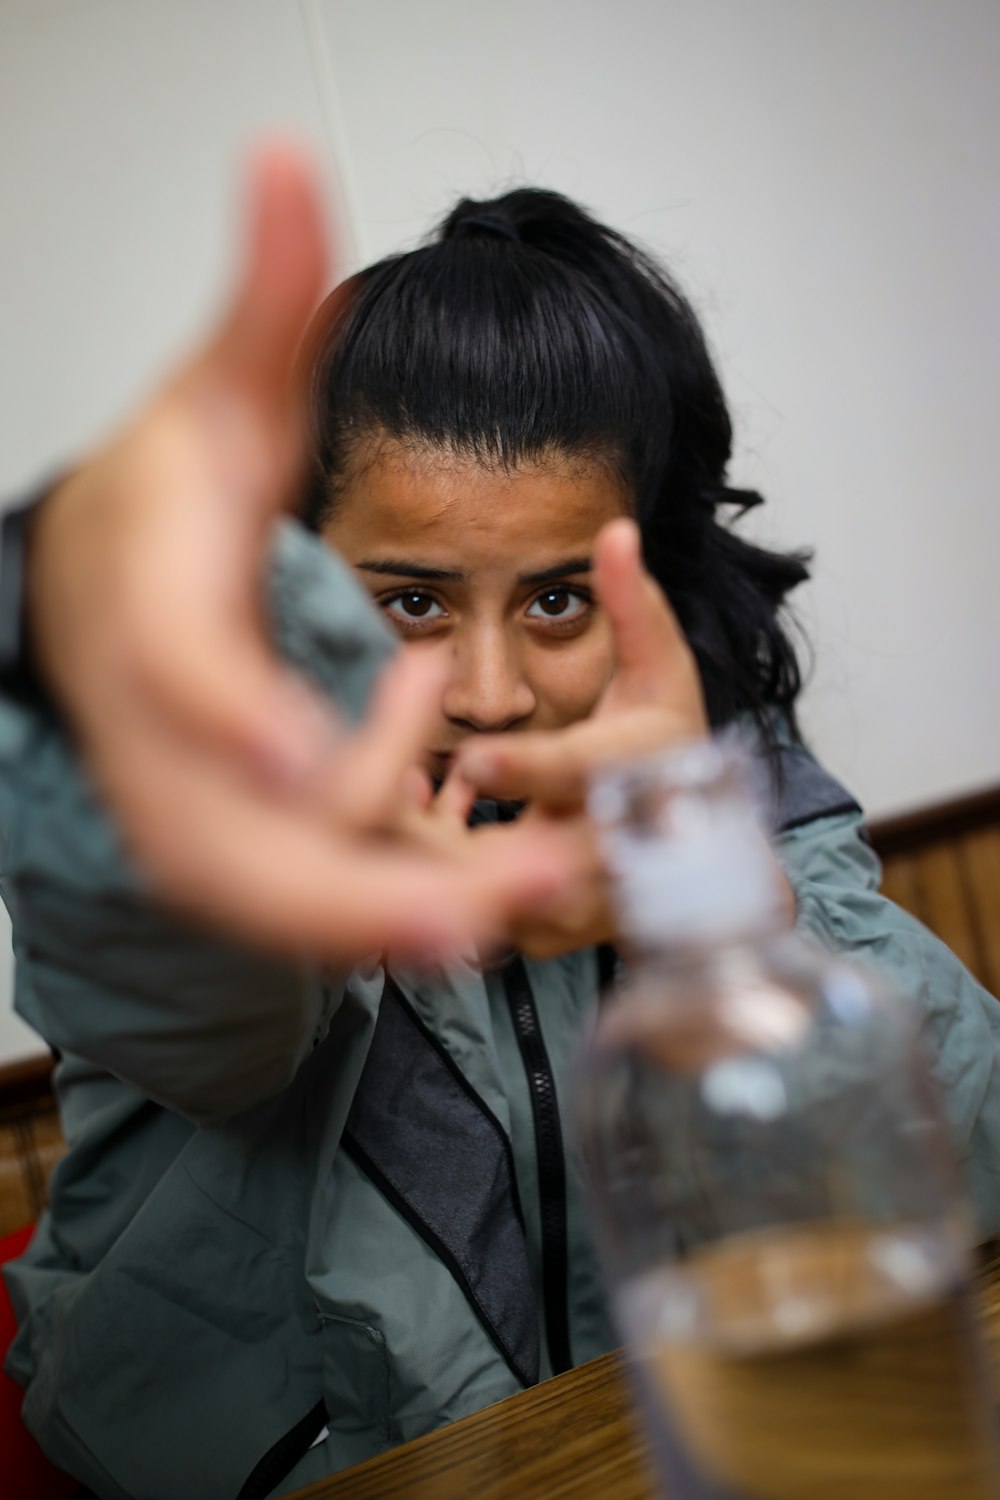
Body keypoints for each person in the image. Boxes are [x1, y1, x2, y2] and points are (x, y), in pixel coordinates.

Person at [3, 148, 999, 1500]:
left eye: (555, 602)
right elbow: (183, 1004)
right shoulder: (240, 806)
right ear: (294, 575)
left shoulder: (713, 766)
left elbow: (971, 1169)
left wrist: (722, 909)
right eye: (409, 603)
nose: (487, 694)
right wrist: (108, 723)